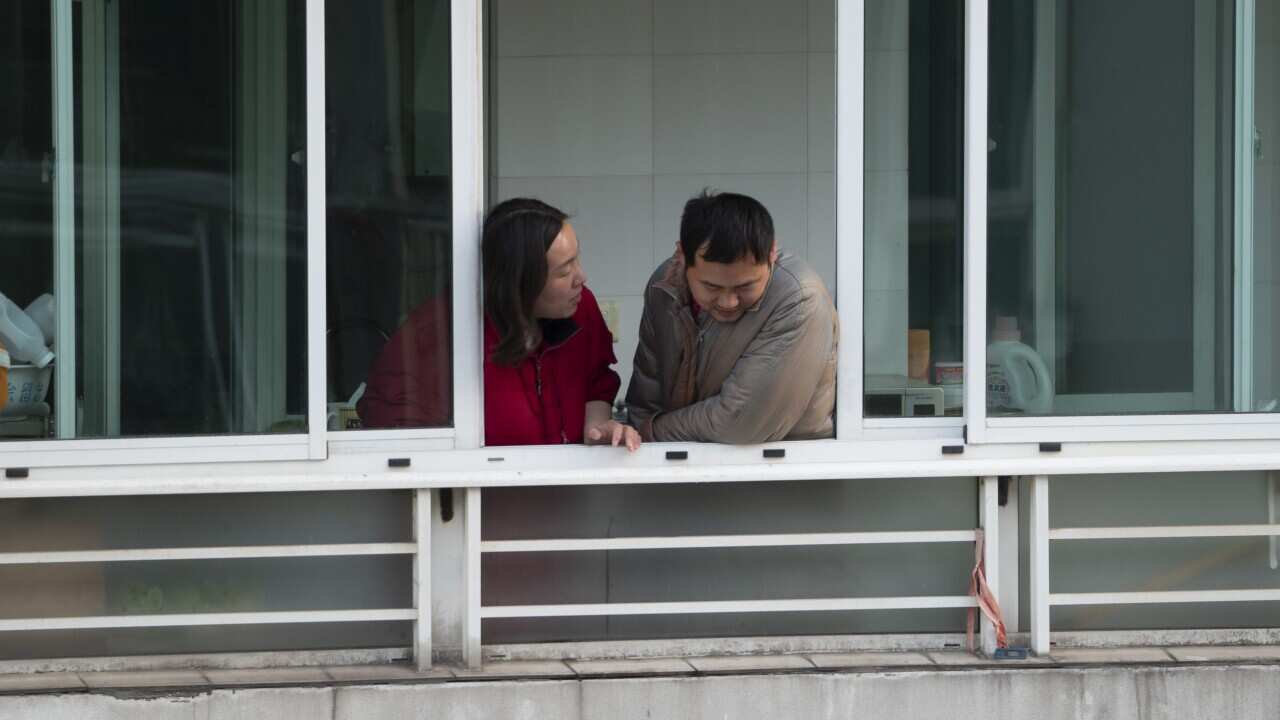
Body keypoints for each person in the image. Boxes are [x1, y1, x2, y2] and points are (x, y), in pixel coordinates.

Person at [359, 198, 640, 449]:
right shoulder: (439, 334)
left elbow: (596, 380)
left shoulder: (581, 308)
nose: (581, 277)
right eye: (564, 270)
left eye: (576, 259)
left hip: (566, 497)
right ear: (520, 282)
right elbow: (393, 441)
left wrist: (598, 429)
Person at [626, 191, 837, 444]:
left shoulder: (799, 298)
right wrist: (637, 434)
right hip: (682, 465)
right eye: (711, 287)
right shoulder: (665, 287)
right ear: (682, 256)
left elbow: (740, 422)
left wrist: (649, 434)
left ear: (771, 253)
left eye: (745, 287)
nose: (728, 302)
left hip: (784, 469)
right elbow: (645, 399)